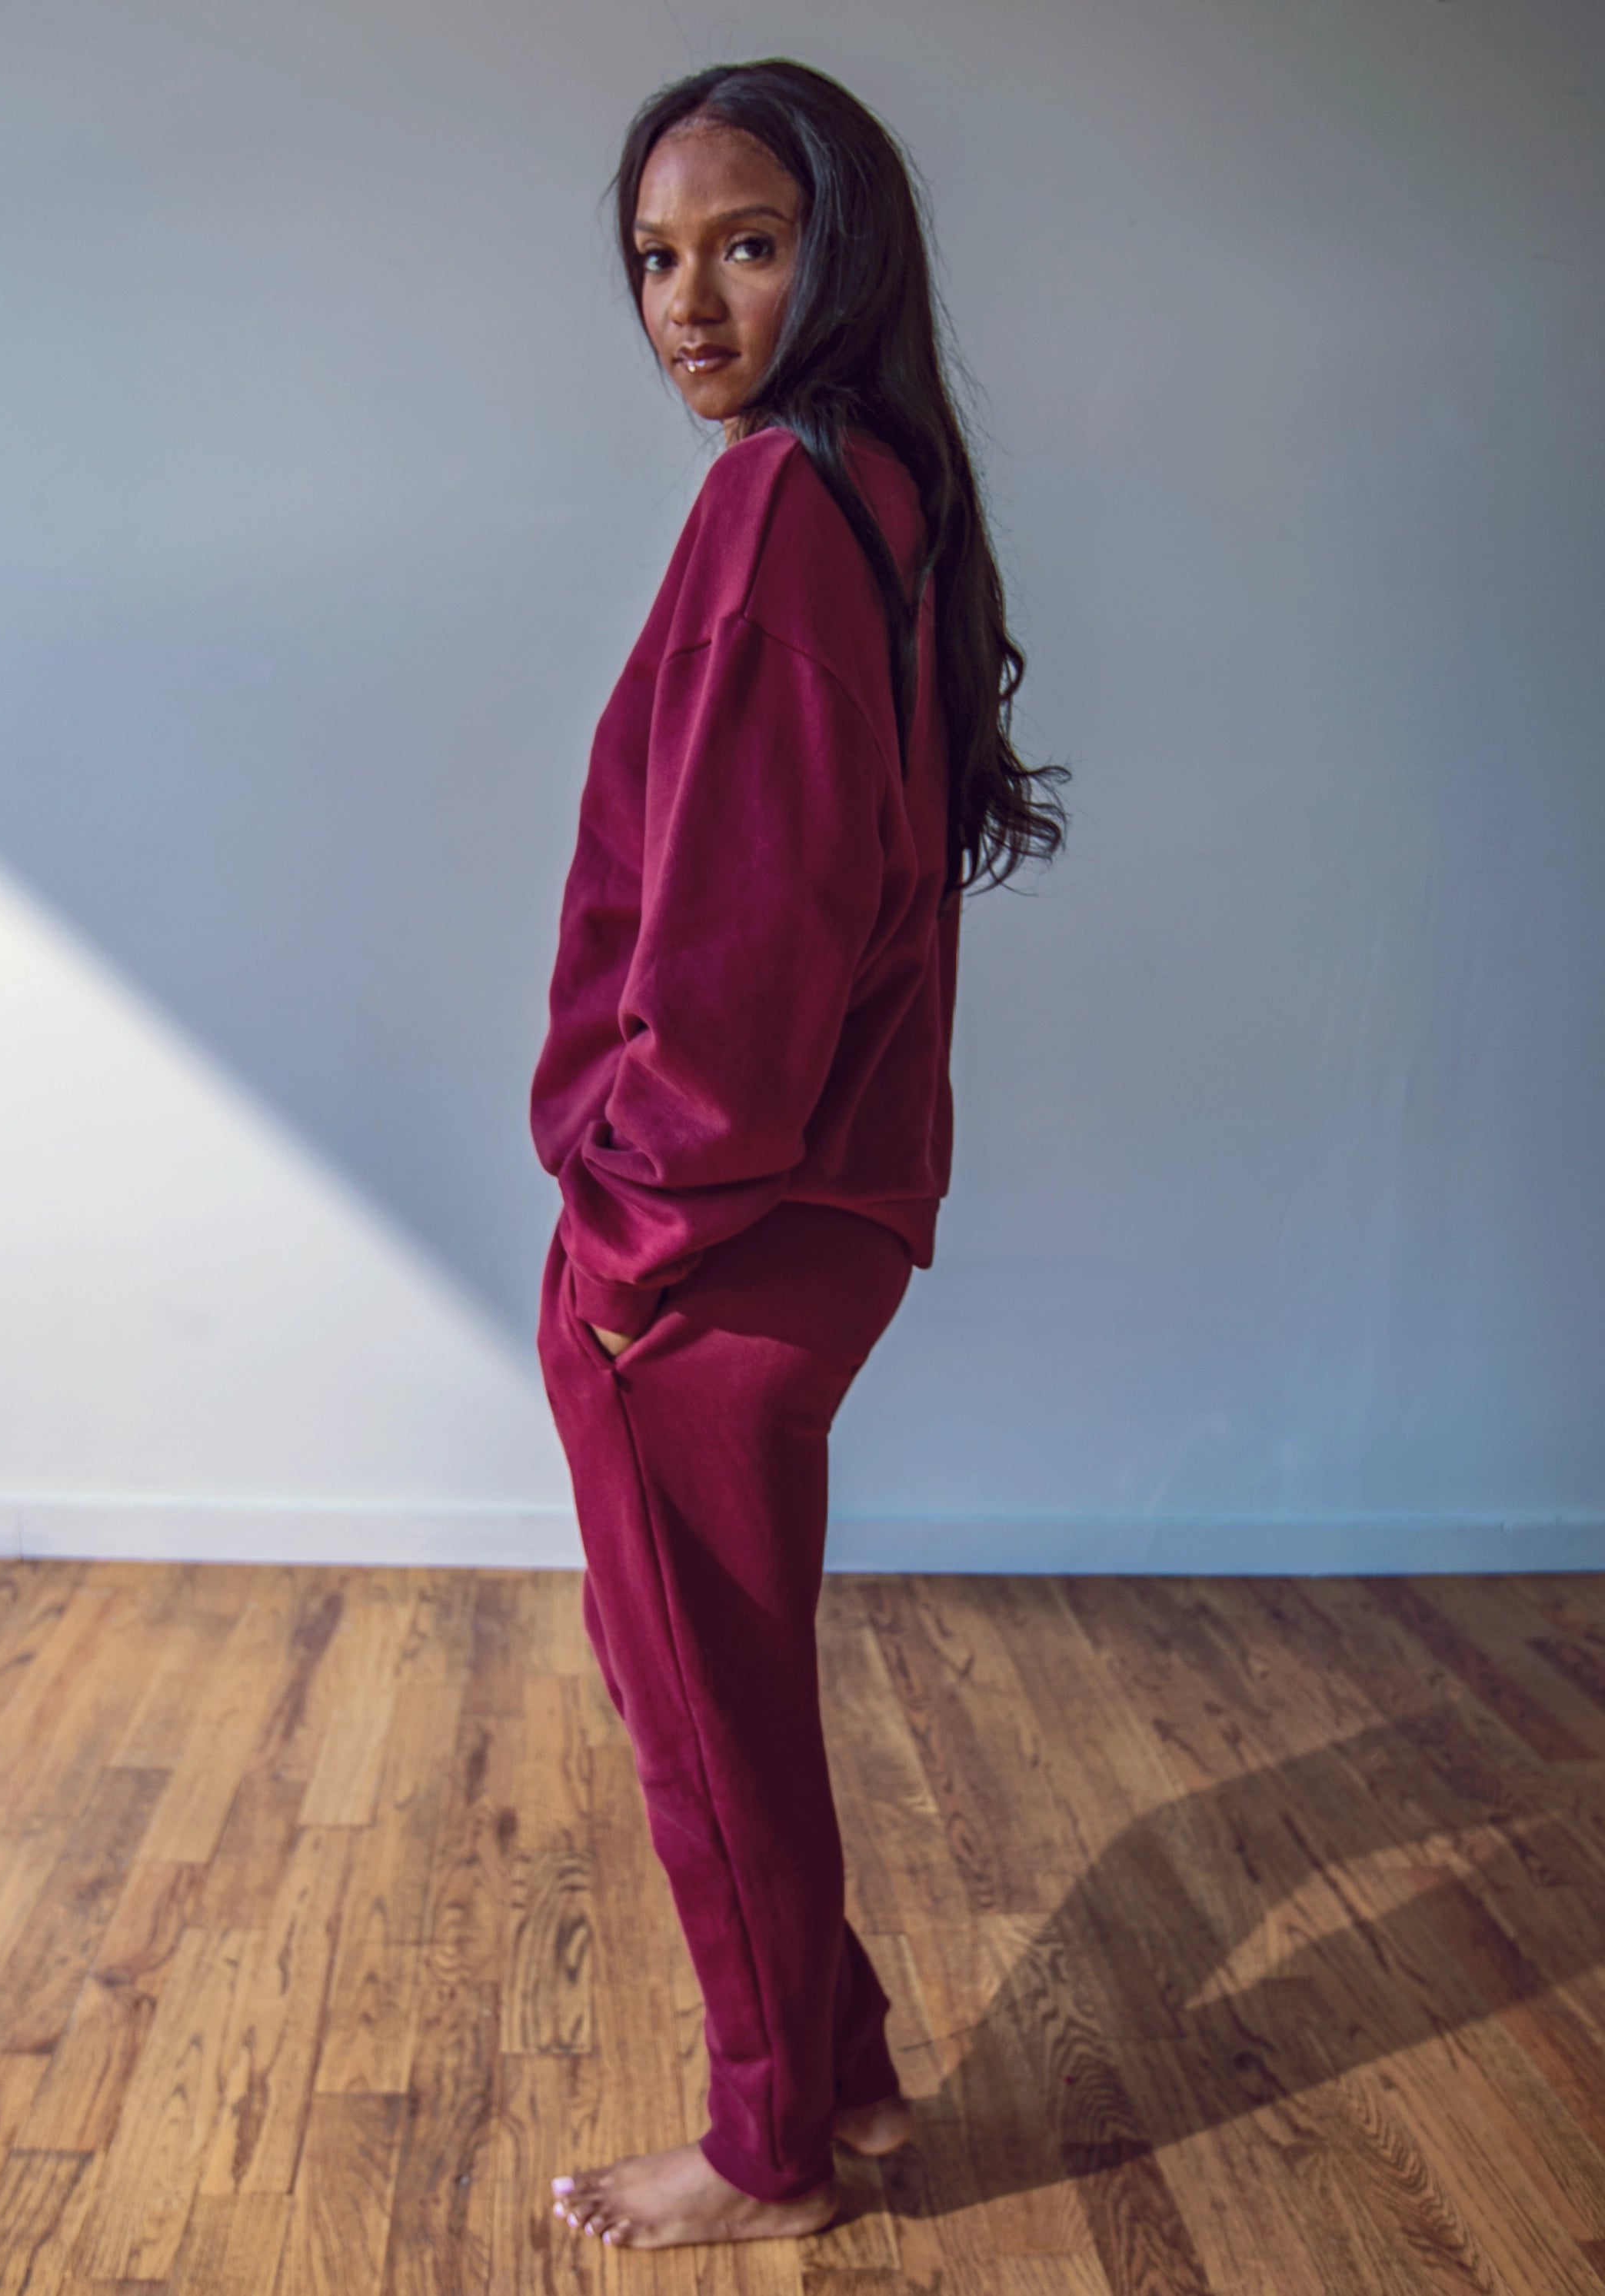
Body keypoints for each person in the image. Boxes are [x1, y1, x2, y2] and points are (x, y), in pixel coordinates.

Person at [529, 56, 1070, 2251]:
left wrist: (630, 1228)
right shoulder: (888, 490)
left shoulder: (779, 505)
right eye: (656, 257)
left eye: (746, 246)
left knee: (702, 1721)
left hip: (714, 1227)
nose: (689, 302)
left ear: (841, 254)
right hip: (819, 1203)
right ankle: (837, 2083)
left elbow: (750, 923)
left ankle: (771, 2155)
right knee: (719, 1691)